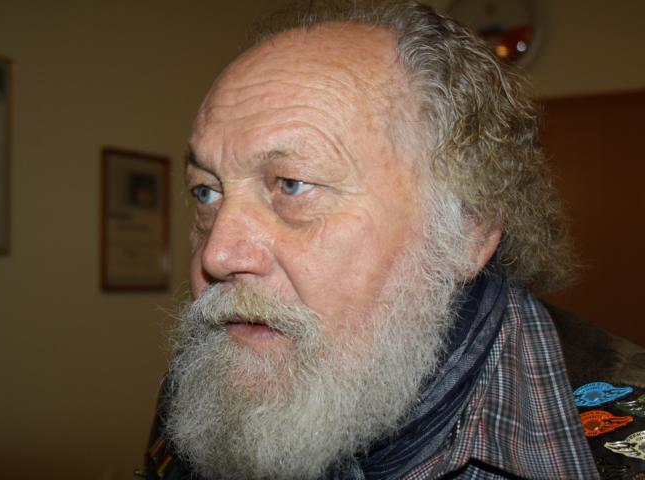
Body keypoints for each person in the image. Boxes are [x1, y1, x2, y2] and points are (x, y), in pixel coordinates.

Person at [140, 1, 645, 479]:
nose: (218, 253)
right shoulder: (213, 388)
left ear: (469, 229)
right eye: (205, 192)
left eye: (292, 185)